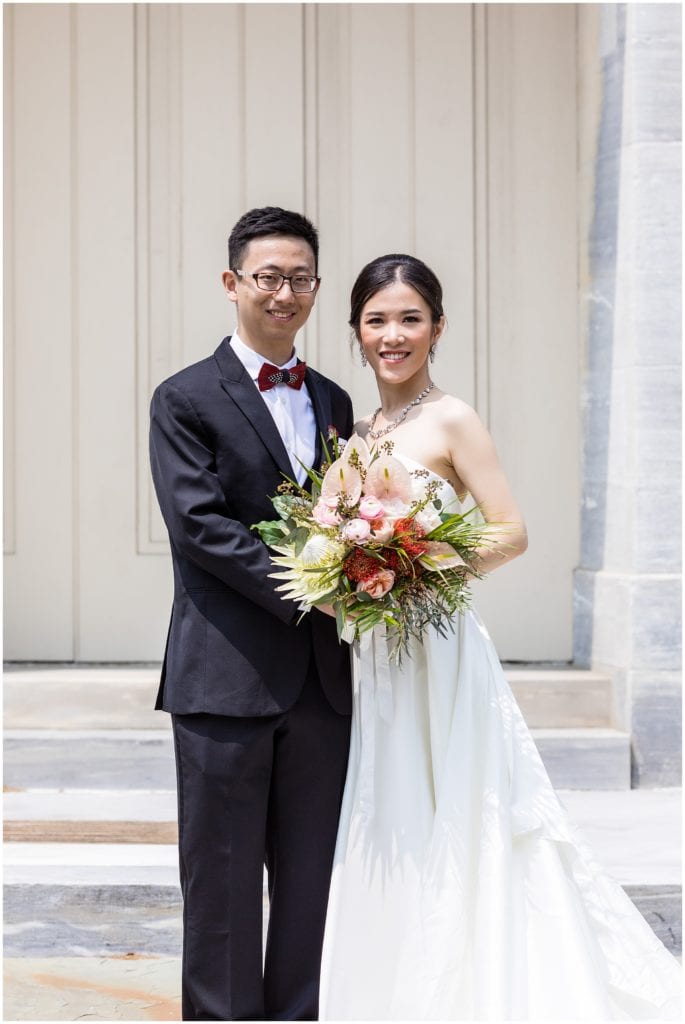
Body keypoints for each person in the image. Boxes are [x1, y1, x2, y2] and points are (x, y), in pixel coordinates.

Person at [318, 254, 681, 1020]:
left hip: (440, 650)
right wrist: (343, 580)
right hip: (379, 657)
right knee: (392, 809)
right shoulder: (351, 434)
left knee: (463, 805)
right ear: (356, 332)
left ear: (437, 328)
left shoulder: (452, 418)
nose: (393, 334)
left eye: (410, 318)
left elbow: (510, 531)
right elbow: (326, 553)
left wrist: (420, 569)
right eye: (377, 320)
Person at [149, 207, 353, 1021]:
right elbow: (200, 528)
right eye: (267, 276)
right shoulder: (184, 398)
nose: (284, 292)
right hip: (221, 679)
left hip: (320, 684)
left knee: (309, 886)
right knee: (223, 891)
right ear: (232, 283)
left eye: (299, 277)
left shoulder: (335, 399)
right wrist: (318, 586)